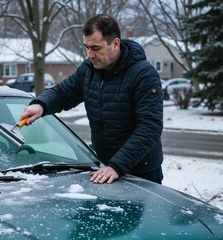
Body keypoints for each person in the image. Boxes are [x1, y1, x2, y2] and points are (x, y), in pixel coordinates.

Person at [20, 14, 164, 184]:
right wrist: (40, 105)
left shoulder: (143, 74)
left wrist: (117, 166)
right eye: (86, 47)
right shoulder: (89, 69)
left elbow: (150, 127)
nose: (89, 54)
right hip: (105, 169)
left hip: (140, 172)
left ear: (115, 43)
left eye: (95, 48)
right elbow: (64, 92)